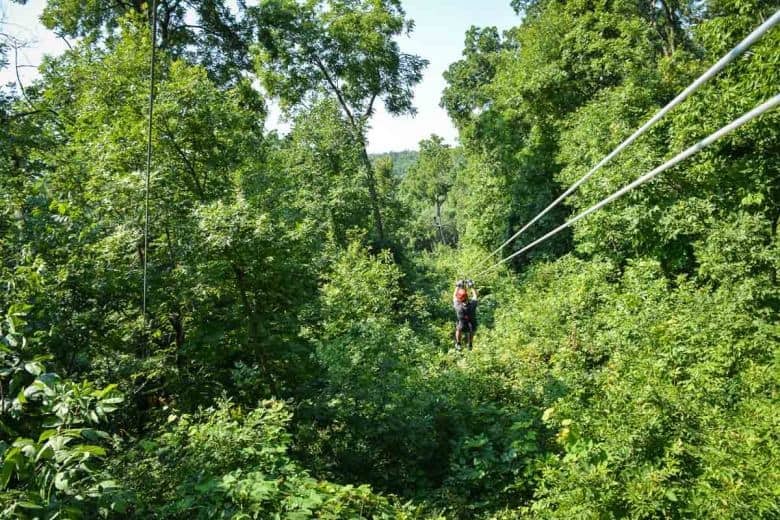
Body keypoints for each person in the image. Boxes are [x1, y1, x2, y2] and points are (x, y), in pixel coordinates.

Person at [453, 279, 477, 351]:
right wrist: (471, 286)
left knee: (458, 329)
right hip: (471, 323)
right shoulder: (472, 305)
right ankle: (470, 344)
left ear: (459, 299)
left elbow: (454, 296)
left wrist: (458, 286)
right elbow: (475, 295)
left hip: (462, 324)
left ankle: (458, 343)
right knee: (471, 330)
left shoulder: (458, 306)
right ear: (467, 297)